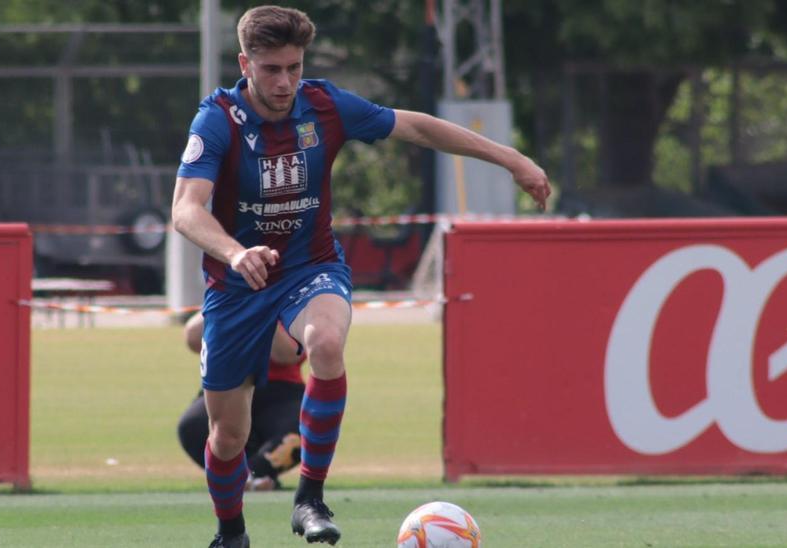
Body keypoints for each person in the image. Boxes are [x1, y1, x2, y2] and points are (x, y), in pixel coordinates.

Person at [172, 6, 552, 547]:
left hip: (311, 266)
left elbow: (416, 126)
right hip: (236, 286)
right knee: (227, 435)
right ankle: (231, 532)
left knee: (326, 342)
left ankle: (310, 498)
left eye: (294, 67)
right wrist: (235, 253)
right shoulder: (218, 120)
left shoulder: (325, 105)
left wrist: (509, 157)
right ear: (245, 64)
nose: (284, 82)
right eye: (271, 69)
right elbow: (186, 209)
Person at [176, 312, 305, 492]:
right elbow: (193, 338)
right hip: (228, 383)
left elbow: (288, 355)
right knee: (193, 426)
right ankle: (235, 474)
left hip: (281, 390)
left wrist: (262, 308)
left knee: (308, 425)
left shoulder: (293, 301)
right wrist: (232, 302)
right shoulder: (230, 294)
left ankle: (257, 472)